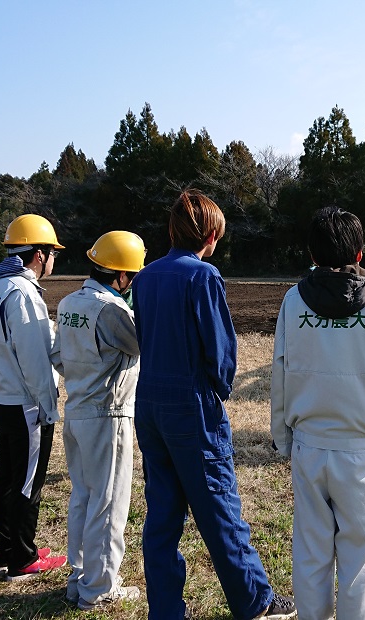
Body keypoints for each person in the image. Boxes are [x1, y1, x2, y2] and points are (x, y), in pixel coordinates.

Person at [131, 190, 296, 620]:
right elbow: (221, 352)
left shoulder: (145, 278)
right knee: (219, 506)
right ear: (209, 233)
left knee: (162, 514)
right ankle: (255, 601)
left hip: (148, 404)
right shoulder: (203, 277)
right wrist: (218, 391)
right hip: (191, 406)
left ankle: (165, 611)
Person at [270, 207, 365, 620]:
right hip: (362, 453)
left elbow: (280, 372)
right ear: (360, 254)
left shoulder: (294, 301)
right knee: (358, 557)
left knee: (311, 549)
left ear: (312, 255)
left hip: (309, 447)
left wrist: (283, 437)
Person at [50, 231, 145, 610]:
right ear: (121, 276)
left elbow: (58, 356)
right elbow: (142, 343)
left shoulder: (71, 301)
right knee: (109, 504)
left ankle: (80, 577)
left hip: (76, 410)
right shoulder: (112, 310)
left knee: (84, 498)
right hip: (108, 414)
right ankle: (99, 588)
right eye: (133, 276)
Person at [0, 214, 67, 580]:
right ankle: (23, 559)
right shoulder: (24, 293)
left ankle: (7, 549)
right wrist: (48, 404)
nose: (53, 260)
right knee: (27, 483)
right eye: (52, 252)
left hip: (0, 395)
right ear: (39, 254)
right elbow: (34, 359)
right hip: (27, 403)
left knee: (5, 477)